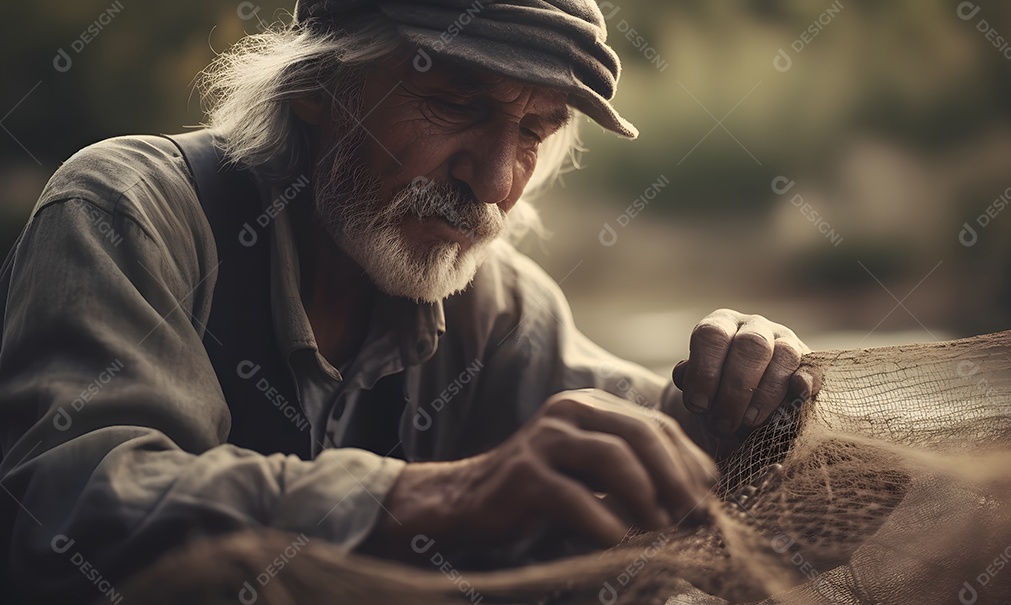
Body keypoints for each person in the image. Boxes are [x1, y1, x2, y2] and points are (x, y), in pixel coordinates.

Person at [0, 0, 813, 601]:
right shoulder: (129, 211)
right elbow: (69, 507)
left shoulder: (491, 305)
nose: (495, 183)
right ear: (315, 85)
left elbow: (633, 427)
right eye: (458, 104)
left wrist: (729, 392)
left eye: (534, 130)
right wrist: (443, 496)